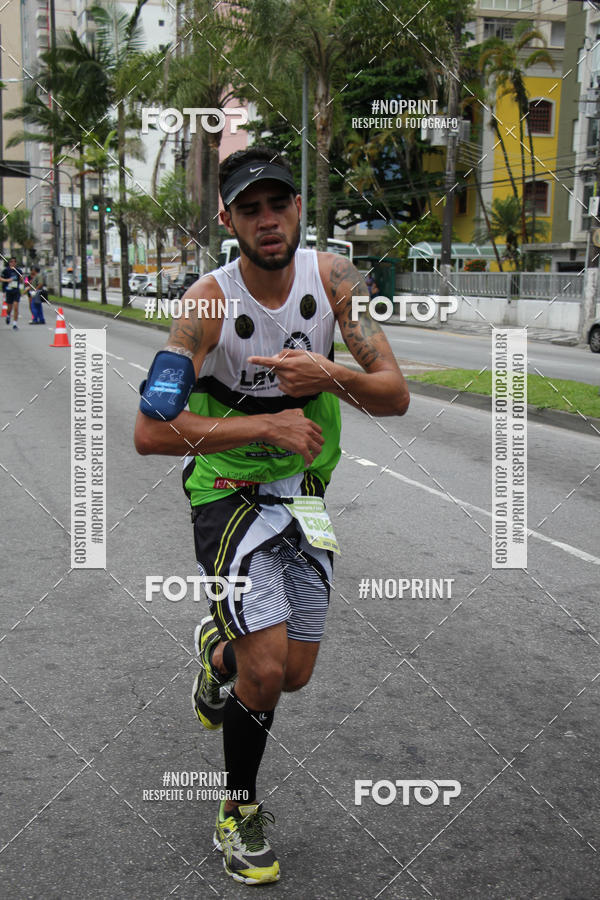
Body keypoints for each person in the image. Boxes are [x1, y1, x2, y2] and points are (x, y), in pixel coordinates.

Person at [134, 146, 410, 886]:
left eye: (278, 204)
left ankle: (215, 656)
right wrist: (265, 425)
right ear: (228, 221)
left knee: (292, 673)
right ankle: (239, 811)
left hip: (303, 488)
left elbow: (394, 395)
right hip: (224, 487)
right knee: (264, 668)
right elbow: (151, 431)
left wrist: (329, 374)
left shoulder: (337, 280)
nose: (267, 220)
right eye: (249, 209)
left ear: (298, 210)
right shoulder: (207, 304)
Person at [1, 257, 23, 329]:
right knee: (9, 308)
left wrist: (22, 279)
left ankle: (15, 324)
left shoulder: (19, 270)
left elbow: (24, 280)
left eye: (14, 262)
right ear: (9, 263)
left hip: (16, 291)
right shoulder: (6, 270)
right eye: (11, 262)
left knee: (16, 307)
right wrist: (7, 280)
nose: (13, 263)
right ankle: (8, 315)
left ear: (16, 263)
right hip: (9, 291)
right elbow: (0, 278)